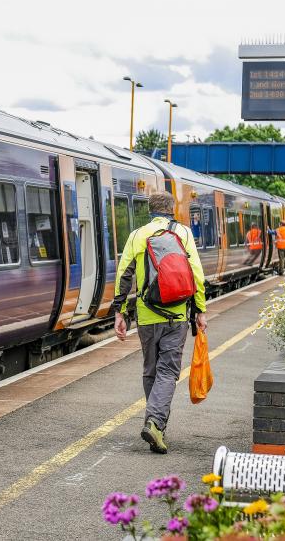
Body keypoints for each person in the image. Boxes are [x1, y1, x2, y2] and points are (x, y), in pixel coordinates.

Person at [112, 191, 207, 455]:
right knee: (168, 372)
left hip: (147, 314)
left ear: (150, 211)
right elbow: (197, 276)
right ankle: (154, 422)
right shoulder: (184, 234)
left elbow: (124, 274)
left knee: (150, 370)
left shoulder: (137, 235)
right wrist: (200, 310)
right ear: (171, 209)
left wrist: (119, 312)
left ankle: (155, 426)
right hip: (176, 315)